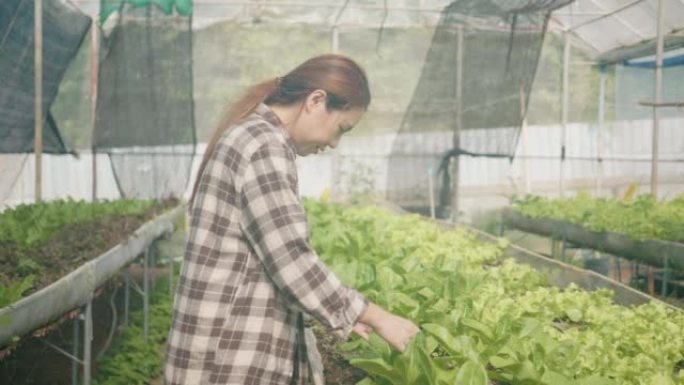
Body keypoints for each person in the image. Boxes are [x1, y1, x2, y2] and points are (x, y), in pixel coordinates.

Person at [165, 54, 419, 385]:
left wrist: (340, 315)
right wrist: (375, 315)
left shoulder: (250, 135)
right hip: (228, 360)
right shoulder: (263, 145)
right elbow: (291, 263)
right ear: (316, 100)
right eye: (340, 129)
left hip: (219, 351)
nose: (333, 143)